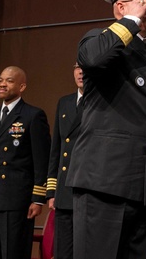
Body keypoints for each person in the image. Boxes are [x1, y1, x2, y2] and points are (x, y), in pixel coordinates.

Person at [66, 0, 146, 259]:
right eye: (144, 0)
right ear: (121, 7)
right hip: (105, 181)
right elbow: (94, 59)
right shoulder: (99, 40)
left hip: (144, 185)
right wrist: (130, 21)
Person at [0, 66, 50, 259]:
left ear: (22, 86)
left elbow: (41, 159)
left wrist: (37, 198)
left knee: (13, 253)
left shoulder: (32, 115)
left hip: (16, 198)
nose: (3, 84)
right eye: (0, 80)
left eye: (9, 81)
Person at [46, 62, 85, 259]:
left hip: (87, 191)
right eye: (77, 67)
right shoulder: (65, 102)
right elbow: (57, 149)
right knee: (63, 252)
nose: (81, 72)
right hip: (64, 191)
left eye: (85, 67)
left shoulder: (100, 103)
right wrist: (51, 191)